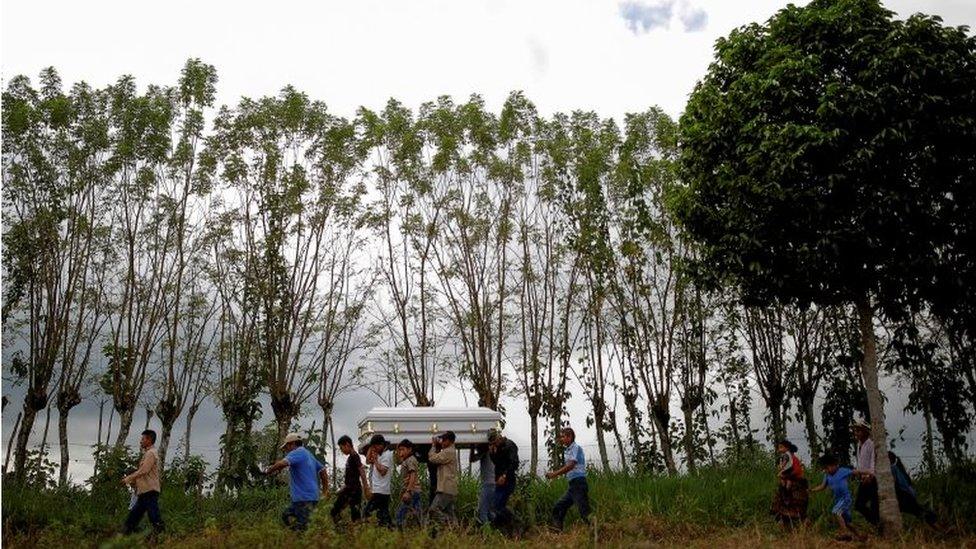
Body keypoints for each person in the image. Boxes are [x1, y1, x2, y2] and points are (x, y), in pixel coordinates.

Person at [264, 432, 329, 531]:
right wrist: (325, 491)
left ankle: (305, 538)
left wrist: (268, 471)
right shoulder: (308, 454)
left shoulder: (297, 452)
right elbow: (323, 471)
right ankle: (296, 535)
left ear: (292, 444)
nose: (286, 450)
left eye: (286, 447)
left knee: (303, 528)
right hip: (308, 497)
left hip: (304, 498)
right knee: (286, 515)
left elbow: (282, 463)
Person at [546, 427, 591, 531]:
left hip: (579, 484)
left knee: (584, 512)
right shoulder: (567, 450)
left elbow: (571, 465)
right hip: (573, 486)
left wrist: (554, 474)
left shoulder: (575, 447)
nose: (561, 439)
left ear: (570, 437)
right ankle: (557, 530)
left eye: (563, 436)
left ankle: (597, 531)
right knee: (559, 507)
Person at [122, 430, 164, 535]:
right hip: (145, 491)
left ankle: (164, 537)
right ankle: (125, 536)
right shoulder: (148, 453)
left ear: (149, 440)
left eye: (143, 439)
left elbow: (144, 470)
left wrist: (129, 478)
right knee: (134, 516)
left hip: (149, 490)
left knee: (154, 517)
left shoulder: (151, 453)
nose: (141, 441)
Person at [811, 454, 859, 541]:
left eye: (828, 468)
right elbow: (822, 486)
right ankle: (859, 536)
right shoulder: (827, 476)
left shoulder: (842, 471)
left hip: (845, 498)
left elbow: (856, 472)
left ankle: (845, 533)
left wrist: (869, 472)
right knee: (847, 522)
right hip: (838, 500)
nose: (827, 470)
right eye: (825, 468)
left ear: (835, 465)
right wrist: (812, 490)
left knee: (836, 512)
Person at [889, 451, 937, 526]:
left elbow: (895, 484)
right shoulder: (898, 468)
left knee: (917, 511)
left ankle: (930, 517)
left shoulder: (892, 469)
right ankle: (928, 514)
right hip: (909, 494)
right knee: (916, 510)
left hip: (904, 495)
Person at [331, 435, 369, 524]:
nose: (342, 450)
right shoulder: (350, 458)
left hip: (355, 490)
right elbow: (350, 478)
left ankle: (353, 532)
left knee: (355, 515)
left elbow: (362, 471)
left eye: (341, 448)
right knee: (335, 511)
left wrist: (366, 487)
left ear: (347, 444)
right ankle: (344, 530)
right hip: (348, 489)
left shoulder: (354, 456)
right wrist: (342, 489)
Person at [771, 439, 809, 524]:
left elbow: (797, 470)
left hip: (796, 484)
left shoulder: (793, 459)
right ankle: (784, 519)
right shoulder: (786, 459)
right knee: (782, 498)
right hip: (788, 485)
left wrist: (785, 475)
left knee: (798, 506)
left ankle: (800, 520)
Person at [488, 430, 519, 529]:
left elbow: (514, 463)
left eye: (495, 442)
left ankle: (517, 523)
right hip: (499, 481)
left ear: (499, 437)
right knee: (495, 506)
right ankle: (508, 527)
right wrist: (492, 453)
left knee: (498, 506)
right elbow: (497, 463)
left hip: (508, 480)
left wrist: (504, 475)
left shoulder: (510, 445)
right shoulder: (498, 448)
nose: (495, 444)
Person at [851, 418, 879, 526]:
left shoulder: (871, 445)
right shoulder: (859, 445)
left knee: (873, 505)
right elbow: (861, 462)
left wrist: (868, 475)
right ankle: (876, 523)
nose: (856, 433)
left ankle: (877, 524)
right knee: (859, 505)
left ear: (865, 432)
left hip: (871, 479)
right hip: (863, 478)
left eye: (858, 431)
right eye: (855, 431)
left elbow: (872, 464)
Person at [428, 430, 459, 528]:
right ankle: (455, 530)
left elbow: (432, 458)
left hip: (445, 488)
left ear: (450, 441)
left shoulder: (448, 452)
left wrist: (433, 445)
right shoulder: (449, 451)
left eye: (443, 440)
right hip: (449, 489)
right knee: (449, 512)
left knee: (433, 510)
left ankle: (447, 523)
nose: (441, 442)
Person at [364, 434, 393, 527]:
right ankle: (391, 529)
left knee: (367, 512)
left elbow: (383, 472)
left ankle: (388, 528)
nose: (374, 449)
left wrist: (376, 460)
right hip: (379, 490)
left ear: (381, 445)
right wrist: (370, 448)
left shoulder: (387, 455)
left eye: (375, 446)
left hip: (381, 490)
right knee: (383, 514)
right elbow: (368, 461)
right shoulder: (379, 454)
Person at [395, 439, 423, 528]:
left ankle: (400, 535)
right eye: (399, 450)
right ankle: (420, 532)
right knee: (417, 515)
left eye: (403, 449)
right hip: (415, 491)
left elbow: (413, 475)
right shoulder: (407, 460)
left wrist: (408, 491)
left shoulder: (410, 460)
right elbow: (397, 460)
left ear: (410, 449)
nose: (401, 452)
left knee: (400, 514)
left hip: (412, 491)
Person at [469, 443, 495, 525]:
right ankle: (499, 527)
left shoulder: (485, 453)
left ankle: (487, 533)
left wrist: (472, 448)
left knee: (482, 511)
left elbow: (472, 459)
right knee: (489, 511)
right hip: (494, 484)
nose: (477, 450)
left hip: (488, 484)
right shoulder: (493, 454)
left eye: (477, 448)